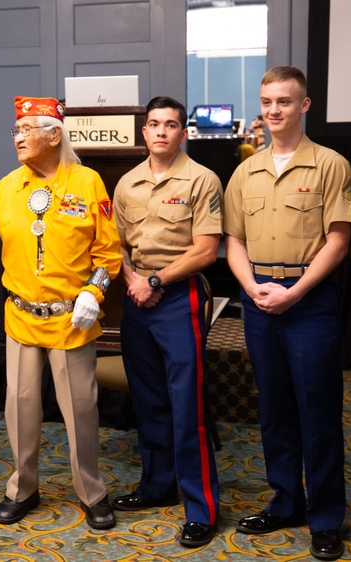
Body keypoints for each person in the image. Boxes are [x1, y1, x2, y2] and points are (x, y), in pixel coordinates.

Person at [0, 96, 122, 530]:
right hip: (21, 318)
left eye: (26, 129)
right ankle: (23, 488)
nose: (17, 136)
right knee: (21, 406)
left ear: (54, 135)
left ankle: (92, 491)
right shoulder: (10, 185)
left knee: (81, 411)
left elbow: (109, 254)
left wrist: (95, 290)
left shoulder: (87, 182)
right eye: (15, 130)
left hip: (72, 319)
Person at [222, 66, 351, 561]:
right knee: (273, 409)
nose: (274, 110)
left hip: (310, 302)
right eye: (267, 101)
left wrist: (294, 292)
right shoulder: (245, 170)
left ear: (305, 106)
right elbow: (232, 240)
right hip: (259, 299)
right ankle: (285, 502)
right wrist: (252, 286)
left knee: (317, 413)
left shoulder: (330, 165)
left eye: (284, 101)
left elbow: (339, 239)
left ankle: (325, 517)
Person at [110, 96, 222, 547]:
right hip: (138, 300)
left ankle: (201, 506)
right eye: (154, 124)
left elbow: (206, 249)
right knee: (149, 399)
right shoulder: (127, 183)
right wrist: (135, 279)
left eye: (170, 125)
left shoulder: (202, 179)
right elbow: (116, 244)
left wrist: (154, 279)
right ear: (144, 132)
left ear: (183, 132)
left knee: (186, 405)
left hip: (179, 298)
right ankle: (157, 485)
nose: (161, 132)